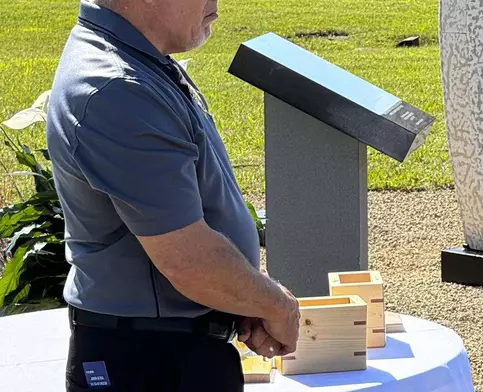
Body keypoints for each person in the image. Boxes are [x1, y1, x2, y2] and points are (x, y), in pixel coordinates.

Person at [45, 0, 300, 390]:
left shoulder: (136, 63)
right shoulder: (119, 87)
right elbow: (188, 261)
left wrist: (241, 295)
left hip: (161, 350)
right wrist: (274, 304)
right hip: (150, 361)